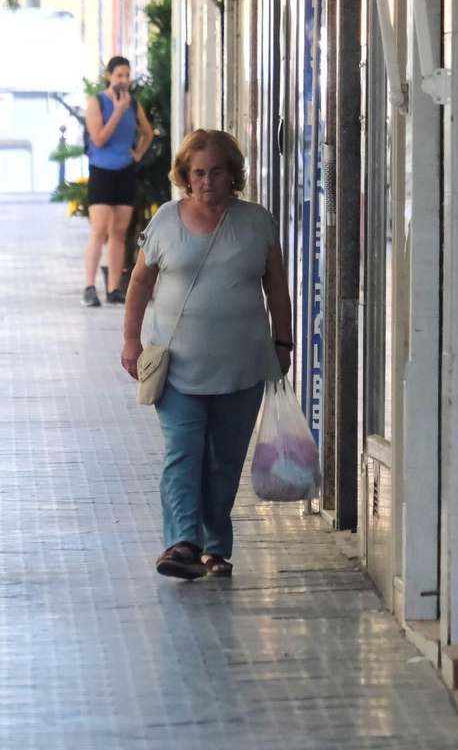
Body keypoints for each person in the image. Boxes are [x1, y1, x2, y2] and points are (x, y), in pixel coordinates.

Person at [120, 130, 293, 580]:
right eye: (198, 173)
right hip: (176, 366)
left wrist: (284, 342)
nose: (207, 181)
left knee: (223, 459)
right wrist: (131, 341)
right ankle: (182, 543)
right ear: (185, 176)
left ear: (233, 174)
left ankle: (214, 547)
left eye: (217, 171)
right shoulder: (164, 221)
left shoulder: (256, 221)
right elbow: (139, 282)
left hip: (242, 365)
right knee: (183, 450)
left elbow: (276, 284)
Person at [82, 56, 154, 307]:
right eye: (119, 75)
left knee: (119, 232)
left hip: (125, 170)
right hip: (101, 171)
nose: (124, 80)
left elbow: (148, 132)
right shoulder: (98, 102)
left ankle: (114, 288)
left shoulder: (133, 105)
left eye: (127, 75)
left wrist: (138, 153)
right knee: (99, 229)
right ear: (109, 76)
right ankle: (90, 287)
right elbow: (99, 138)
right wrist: (119, 111)